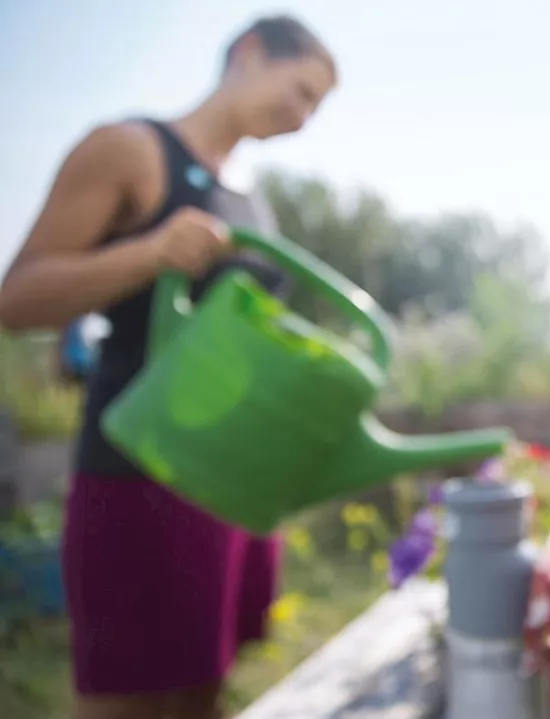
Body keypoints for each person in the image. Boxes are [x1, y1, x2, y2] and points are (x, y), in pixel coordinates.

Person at [0, 15, 337, 719]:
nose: (303, 117)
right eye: (300, 90)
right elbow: (17, 297)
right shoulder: (128, 149)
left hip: (228, 482)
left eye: (316, 107)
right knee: (129, 700)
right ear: (248, 53)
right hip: (138, 472)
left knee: (202, 689)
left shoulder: (251, 199)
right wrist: (150, 253)